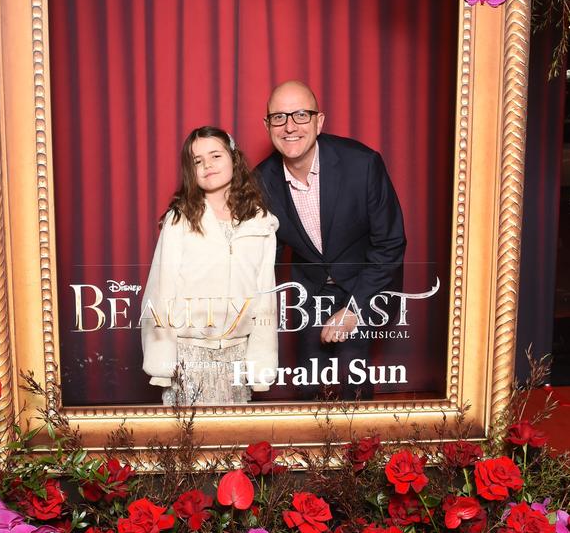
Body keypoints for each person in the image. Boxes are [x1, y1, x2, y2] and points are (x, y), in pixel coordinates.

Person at [256, 81, 406, 400]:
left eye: (301, 115)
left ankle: (360, 449)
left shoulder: (362, 164)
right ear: (267, 125)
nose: (290, 126)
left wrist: (355, 308)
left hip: (366, 283)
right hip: (309, 291)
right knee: (309, 385)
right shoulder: (260, 181)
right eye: (279, 117)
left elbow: (390, 243)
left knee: (354, 376)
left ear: (319, 121)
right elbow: (257, 252)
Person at [141, 126, 279, 406]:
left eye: (215, 155)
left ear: (233, 158)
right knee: (189, 444)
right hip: (189, 353)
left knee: (233, 444)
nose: (207, 165)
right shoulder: (180, 219)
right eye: (197, 161)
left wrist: (261, 367)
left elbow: (266, 295)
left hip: (238, 352)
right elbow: (161, 290)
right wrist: (162, 364)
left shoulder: (260, 221)